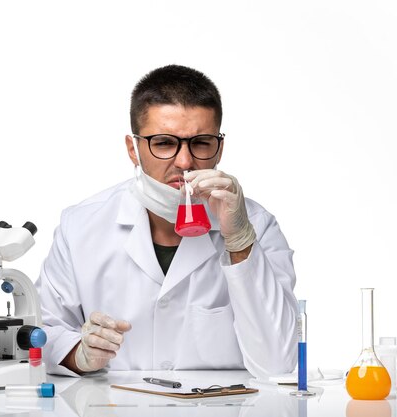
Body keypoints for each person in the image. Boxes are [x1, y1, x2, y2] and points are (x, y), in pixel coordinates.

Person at [36, 64, 298, 379]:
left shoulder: (256, 225)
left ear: (220, 147)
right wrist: (80, 354)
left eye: (201, 142)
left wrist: (240, 243)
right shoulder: (81, 226)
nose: (185, 162)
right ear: (133, 149)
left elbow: (279, 363)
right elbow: (42, 332)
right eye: (164, 143)